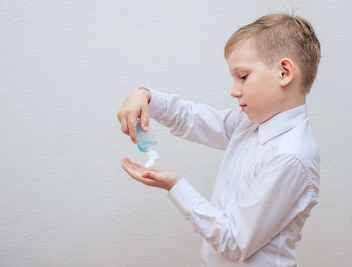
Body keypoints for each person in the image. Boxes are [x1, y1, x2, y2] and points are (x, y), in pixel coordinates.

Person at [117, 12, 321, 267]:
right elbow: (191, 118)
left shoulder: (290, 157)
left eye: (243, 76)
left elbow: (234, 242)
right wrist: (145, 96)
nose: (234, 90)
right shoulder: (250, 123)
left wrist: (175, 185)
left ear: (284, 72)